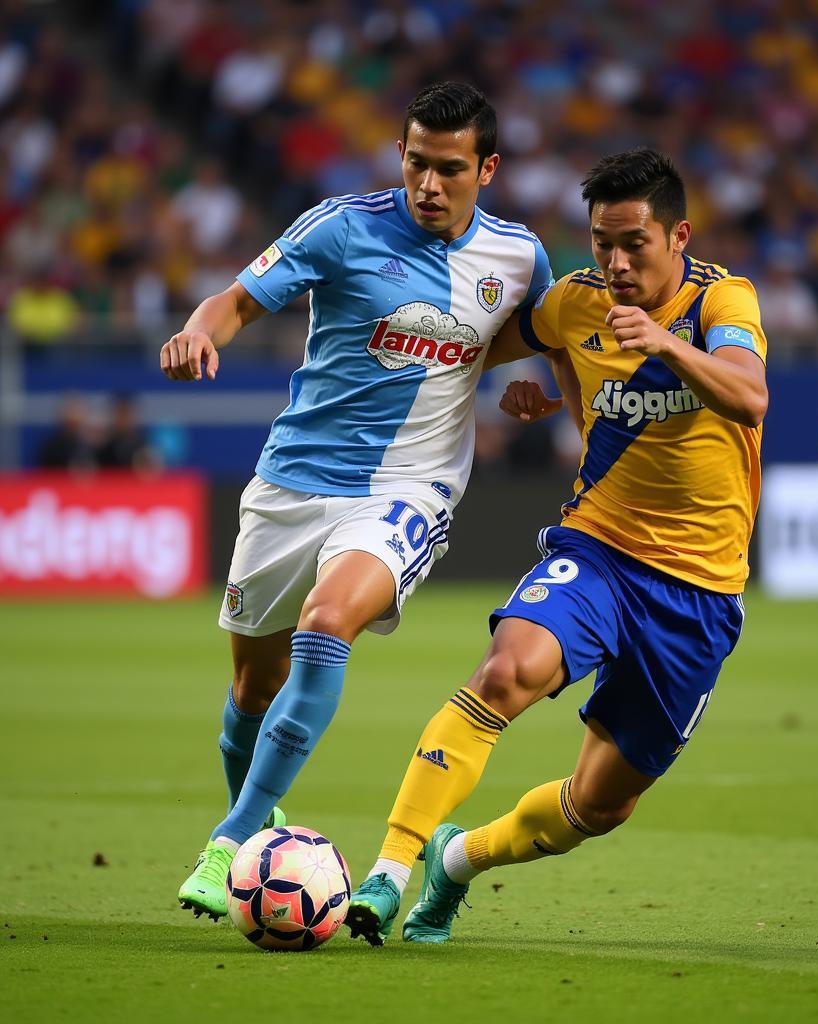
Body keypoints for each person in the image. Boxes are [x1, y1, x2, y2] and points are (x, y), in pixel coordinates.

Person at [344, 148, 769, 945]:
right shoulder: (575, 304)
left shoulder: (723, 301)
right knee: (507, 671)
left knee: (600, 806)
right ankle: (389, 871)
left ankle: (458, 861)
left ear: (678, 236)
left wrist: (665, 345)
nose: (614, 262)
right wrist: (548, 387)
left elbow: (750, 395)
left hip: (701, 593)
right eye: (601, 243)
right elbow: (479, 342)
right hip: (599, 551)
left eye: (633, 244)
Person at [161, 82, 553, 920]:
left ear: (487, 168)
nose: (429, 185)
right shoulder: (341, 225)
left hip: (411, 489)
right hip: (293, 480)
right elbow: (232, 301)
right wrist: (199, 330)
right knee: (251, 694)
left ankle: (228, 841)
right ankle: (260, 823)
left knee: (327, 622)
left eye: (450, 169)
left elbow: (544, 331)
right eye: (416, 163)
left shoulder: (518, 255)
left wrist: (530, 382)